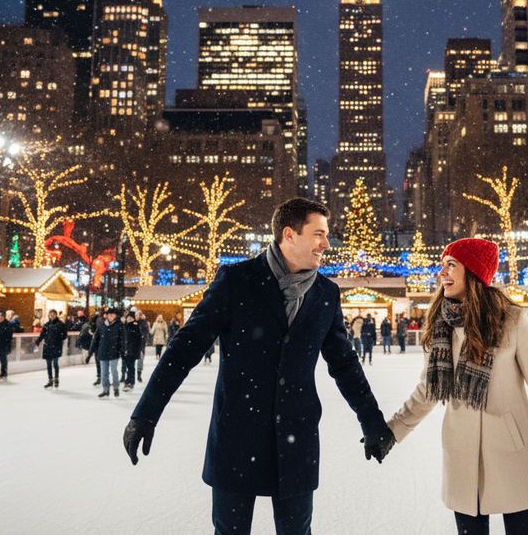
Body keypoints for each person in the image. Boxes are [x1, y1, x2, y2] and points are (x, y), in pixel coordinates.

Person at [123, 198, 392, 535]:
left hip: (296, 438)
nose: (326, 244)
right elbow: (185, 347)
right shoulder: (237, 281)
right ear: (289, 235)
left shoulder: (325, 293)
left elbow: (345, 364)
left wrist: (373, 422)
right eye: (318, 234)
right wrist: (146, 413)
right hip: (237, 435)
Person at [386, 238, 528, 534]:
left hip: (513, 454)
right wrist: (393, 431)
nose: (442, 273)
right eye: (442, 265)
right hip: (462, 457)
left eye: (451, 265)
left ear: (474, 272)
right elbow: (429, 388)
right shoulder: (441, 324)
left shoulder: (513, 320)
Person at [89, 306, 125, 398]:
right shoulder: (101, 325)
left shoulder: (119, 325)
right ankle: (105, 389)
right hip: (103, 351)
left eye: (113, 315)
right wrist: (90, 351)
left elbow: (123, 339)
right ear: (107, 315)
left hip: (114, 352)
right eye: (110, 314)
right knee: (104, 372)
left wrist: (123, 350)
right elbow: (96, 338)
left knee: (114, 371)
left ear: (115, 316)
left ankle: (116, 388)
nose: (111, 316)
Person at [35, 308, 68, 389]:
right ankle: (50, 380)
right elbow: (42, 334)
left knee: (55, 363)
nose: (51, 316)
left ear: (56, 315)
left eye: (53, 315)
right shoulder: (47, 325)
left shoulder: (60, 324)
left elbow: (65, 335)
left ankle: (56, 378)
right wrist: (38, 341)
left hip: (56, 346)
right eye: (50, 315)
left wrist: (59, 339)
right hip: (48, 346)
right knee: (49, 364)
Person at [122, 313, 142, 392]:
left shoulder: (135, 327)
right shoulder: (124, 327)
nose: (129, 320)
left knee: (131, 367)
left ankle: (130, 382)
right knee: (128, 366)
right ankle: (128, 381)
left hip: (132, 350)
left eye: (131, 318)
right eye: (128, 318)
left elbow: (139, 340)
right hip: (126, 350)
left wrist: (138, 350)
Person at [135, 310, 149, 382]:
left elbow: (146, 332)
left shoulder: (144, 323)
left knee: (140, 359)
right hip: (134, 344)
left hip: (141, 344)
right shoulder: (134, 322)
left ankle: (139, 373)